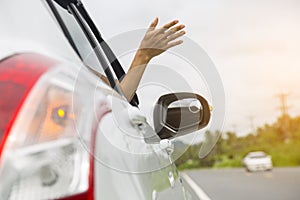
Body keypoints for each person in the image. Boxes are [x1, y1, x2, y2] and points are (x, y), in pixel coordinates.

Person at [100, 17, 186, 102]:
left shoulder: (91, 78)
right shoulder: (87, 77)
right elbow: (119, 100)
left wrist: (144, 55)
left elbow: (120, 96)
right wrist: (143, 54)